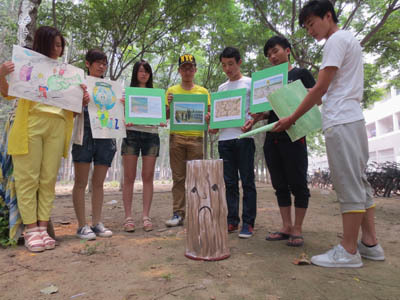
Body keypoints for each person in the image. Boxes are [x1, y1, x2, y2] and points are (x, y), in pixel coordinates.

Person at [274, 0, 384, 267]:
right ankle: (370, 243)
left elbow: (320, 89)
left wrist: (291, 118)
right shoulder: (350, 40)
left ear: (327, 16)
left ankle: (348, 251)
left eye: (311, 24)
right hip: (353, 119)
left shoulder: (335, 41)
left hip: (341, 121)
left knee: (348, 185)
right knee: (359, 182)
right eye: (306, 27)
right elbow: (322, 89)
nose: (310, 31)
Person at [0, 26, 89, 252]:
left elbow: (75, 110)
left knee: (48, 178)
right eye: (55, 44)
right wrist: (2, 74)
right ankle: (31, 229)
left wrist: (82, 99)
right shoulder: (26, 64)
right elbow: (8, 93)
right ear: (43, 43)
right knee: (28, 177)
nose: (58, 49)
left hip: (58, 125)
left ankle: (42, 226)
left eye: (61, 45)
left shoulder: (68, 73)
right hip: (30, 123)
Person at [259, 36, 315, 247]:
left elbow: (316, 98)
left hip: (295, 134)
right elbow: (268, 111)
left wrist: (304, 93)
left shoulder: (300, 74)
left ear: (288, 50)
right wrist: (255, 115)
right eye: (269, 55)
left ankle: (297, 229)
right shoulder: (269, 81)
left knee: (298, 183)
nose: (272, 57)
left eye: (275, 51)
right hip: (272, 136)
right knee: (279, 184)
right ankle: (286, 226)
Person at [209, 47, 257, 238]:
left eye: (231, 64)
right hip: (224, 140)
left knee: (247, 181)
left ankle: (248, 223)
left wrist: (253, 121)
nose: (227, 68)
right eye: (224, 65)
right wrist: (212, 122)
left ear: (239, 62)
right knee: (229, 183)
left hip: (244, 138)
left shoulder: (250, 84)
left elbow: (257, 111)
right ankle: (231, 221)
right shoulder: (221, 89)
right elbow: (218, 120)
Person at [71, 49, 115, 240]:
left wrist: (119, 104)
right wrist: (80, 102)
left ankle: (97, 223)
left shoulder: (111, 87)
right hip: (84, 134)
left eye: (104, 63)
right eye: (97, 62)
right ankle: (82, 225)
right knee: (80, 182)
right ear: (87, 64)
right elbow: (70, 111)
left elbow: (116, 111)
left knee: (99, 182)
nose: (101, 66)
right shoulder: (79, 85)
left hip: (105, 135)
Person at [164, 54, 210, 227]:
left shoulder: (203, 92)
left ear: (195, 70)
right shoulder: (172, 91)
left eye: (191, 67)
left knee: (197, 177)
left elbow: (209, 116)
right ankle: (178, 213)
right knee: (178, 178)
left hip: (197, 138)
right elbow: (165, 116)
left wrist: (208, 117)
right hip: (177, 138)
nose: (188, 70)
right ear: (179, 71)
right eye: (184, 67)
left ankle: (199, 211)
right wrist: (168, 106)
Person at [121, 60, 160, 232]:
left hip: (151, 135)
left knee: (148, 177)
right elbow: (118, 114)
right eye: (140, 71)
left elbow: (162, 117)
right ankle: (128, 217)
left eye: (147, 71)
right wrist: (124, 118)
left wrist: (163, 117)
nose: (143, 74)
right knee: (129, 177)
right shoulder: (126, 93)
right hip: (131, 134)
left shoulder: (156, 95)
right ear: (135, 73)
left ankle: (146, 216)